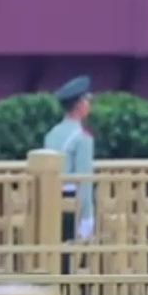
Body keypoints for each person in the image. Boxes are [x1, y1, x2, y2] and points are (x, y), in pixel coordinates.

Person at [44, 75, 95, 242]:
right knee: (70, 257)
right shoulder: (82, 137)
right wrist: (87, 216)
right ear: (79, 105)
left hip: (49, 199)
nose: (89, 104)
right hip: (71, 202)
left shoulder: (52, 133)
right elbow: (84, 180)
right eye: (87, 100)